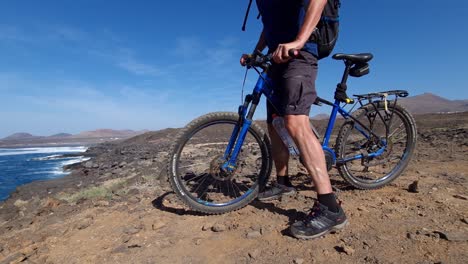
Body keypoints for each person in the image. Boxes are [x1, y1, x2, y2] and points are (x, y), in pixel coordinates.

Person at [240, 0, 347, 239]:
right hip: (275, 58)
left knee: (295, 121)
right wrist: (257, 53)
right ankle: (283, 182)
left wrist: (300, 40)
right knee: (274, 125)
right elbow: (270, 25)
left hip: (300, 54)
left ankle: (331, 208)